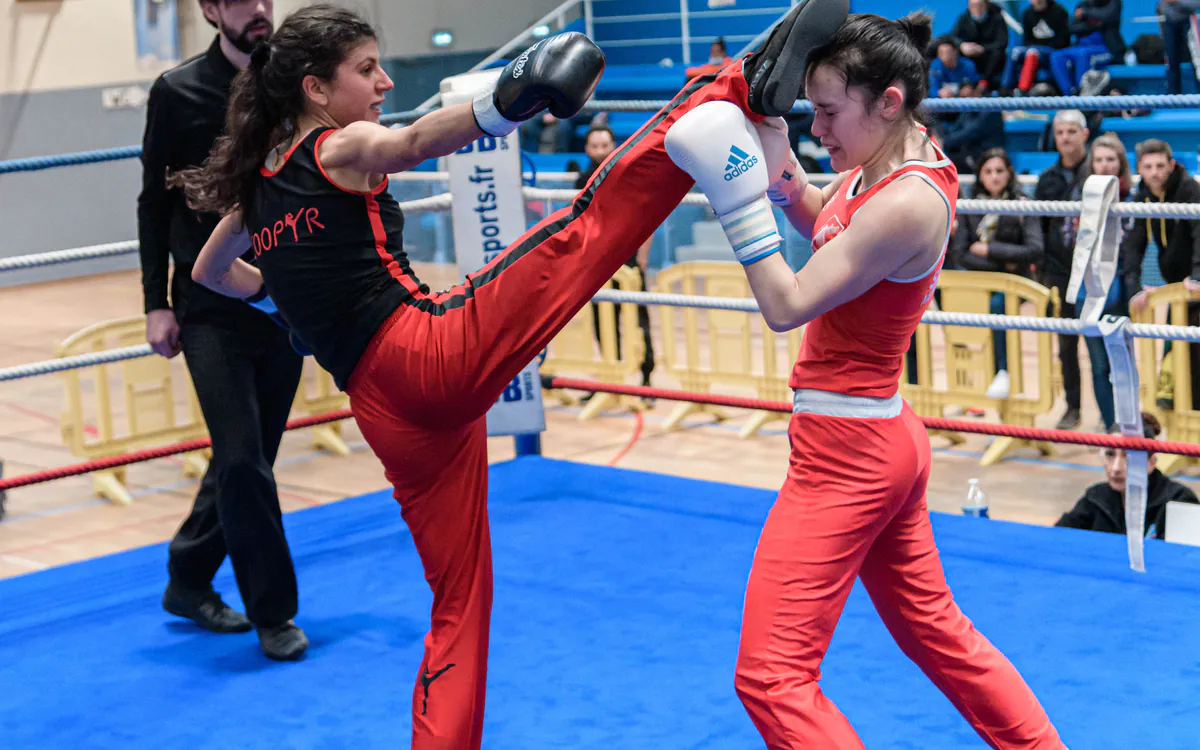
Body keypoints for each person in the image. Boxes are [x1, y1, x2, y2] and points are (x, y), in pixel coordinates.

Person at [172, 1, 843, 745]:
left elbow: (209, 272)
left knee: (458, 602)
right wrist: (506, 100)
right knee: (582, 231)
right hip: (426, 353)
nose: (386, 82)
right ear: (315, 91)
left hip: (382, 411)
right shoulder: (339, 146)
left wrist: (282, 306)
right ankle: (737, 88)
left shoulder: (253, 189)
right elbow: (415, 141)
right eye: (366, 70)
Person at [665, 12, 1065, 748]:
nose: (818, 126)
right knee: (937, 634)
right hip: (875, 432)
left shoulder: (911, 202)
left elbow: (786, 303)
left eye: (826, 112)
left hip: (848, 451)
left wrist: (735, 195)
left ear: (888, 101)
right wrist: (776, 145)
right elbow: (822, 214)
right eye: (810, 110)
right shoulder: (882, 162)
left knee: (769, 673)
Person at [136, 0, 308, 661]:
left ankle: (186, 576)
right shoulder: (176, 91)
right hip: (207, 304)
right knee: (239, 458)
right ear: (210, 9)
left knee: (248, 462)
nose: (259, 8)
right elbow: (154, 201)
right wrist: (157, 302)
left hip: (283, 299)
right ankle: (274, 614)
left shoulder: (295, 79)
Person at [949, 148, 1044, 400]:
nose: (994, 177)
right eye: (988, 171)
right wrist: (1003, 263)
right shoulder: (969, 205)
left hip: (1016, 284)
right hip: (981, 281)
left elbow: (1034, 250)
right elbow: (961, 254)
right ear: (979, 175)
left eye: (999, 171)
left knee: (998, 305)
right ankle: (965, 389)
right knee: (952, 309)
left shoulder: (1023, 203)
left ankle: (1003, 372)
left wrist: (989, 249)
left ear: (1009, 173)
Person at [575, 125, 655, 389]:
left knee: (639, 321)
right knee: (602, 321)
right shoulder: (581, 180)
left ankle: (646, 381)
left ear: (613, 146)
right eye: (594, 146)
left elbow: (647, 217)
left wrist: (642, 258)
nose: (599, 151)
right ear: (587, 149)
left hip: (629, 261)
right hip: (598, 264)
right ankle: (612, 379)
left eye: (604, 146)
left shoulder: (627, 174)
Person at [1068, 133, 1134, 432]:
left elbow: (1134, 247)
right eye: (1099, 160)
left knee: (1122, 362)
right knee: (1098, 364)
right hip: (1087, 290)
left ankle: (1130, 423)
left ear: (1120, 165)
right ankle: (1110, 426)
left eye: (1111, 160)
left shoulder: (1132, 200)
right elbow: (1067, 239)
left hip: (1120, 291)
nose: (1105, 165)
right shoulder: (1078, 196)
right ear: (1091, 164)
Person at [1056, 412, 1199, 539]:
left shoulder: (1179, 501)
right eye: (1110, 454)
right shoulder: (1095, 499)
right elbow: (1054, 539)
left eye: (1129, 457)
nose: (1116, 468)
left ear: (1151, 462)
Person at [1035, 109, 1089, 430]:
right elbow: (1039, 230)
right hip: (1060, 272)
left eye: (1071, 131)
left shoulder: (1099, 172)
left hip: (1096, 272)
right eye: (1060, 133)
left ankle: (1116, 412)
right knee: (1066, 345)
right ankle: (1073, 406)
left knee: (1103, 343)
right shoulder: (1047, 180)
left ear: (1084, 134)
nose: (1065, 138)